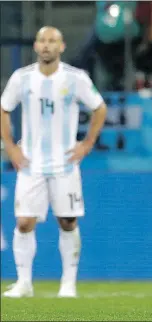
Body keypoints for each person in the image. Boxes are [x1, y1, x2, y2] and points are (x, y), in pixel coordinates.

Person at [0, 26, 107, 298]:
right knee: (24, 222)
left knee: (68, 222)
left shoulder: (75, 78)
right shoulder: (21, 78)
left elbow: (99, 107)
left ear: (61, 47)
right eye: (42, 41)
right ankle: (24, 283)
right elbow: (4, 108)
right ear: (36, 46)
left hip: (65, 164)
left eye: (52, 41)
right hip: (30, 164)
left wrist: (87, 144)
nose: (47, 45)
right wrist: (10, 147)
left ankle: (68, 284)